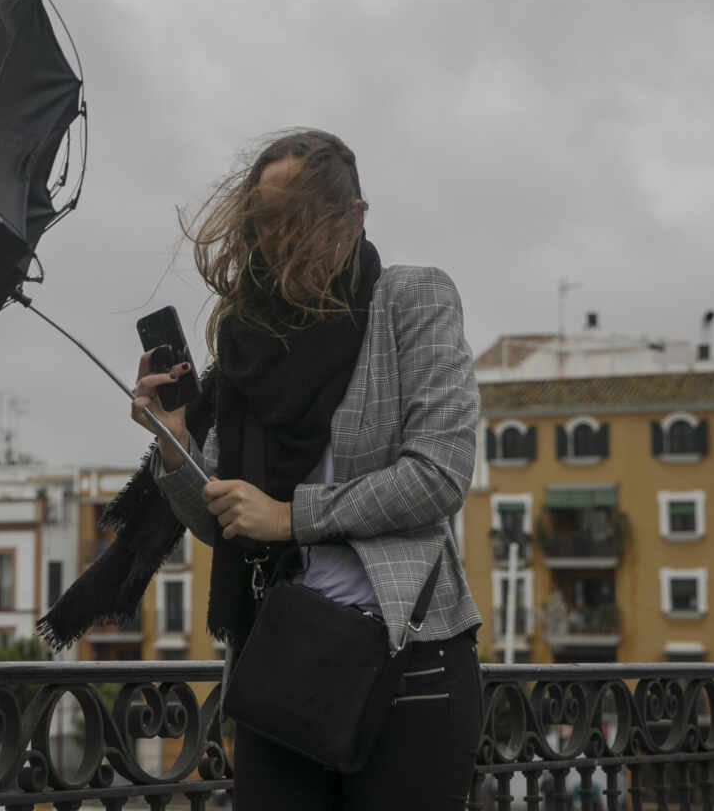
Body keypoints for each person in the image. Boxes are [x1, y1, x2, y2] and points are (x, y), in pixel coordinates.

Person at [127, 129, 484, 810]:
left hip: (408, 664)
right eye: (265, 224)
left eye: (299, 222)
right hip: (282, 664)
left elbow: (439, 473)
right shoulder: (249, 336)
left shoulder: (411, 299)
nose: (278, 242)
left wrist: (293, 518)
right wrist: (172, 442)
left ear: (354, 216)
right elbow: (225, 520)